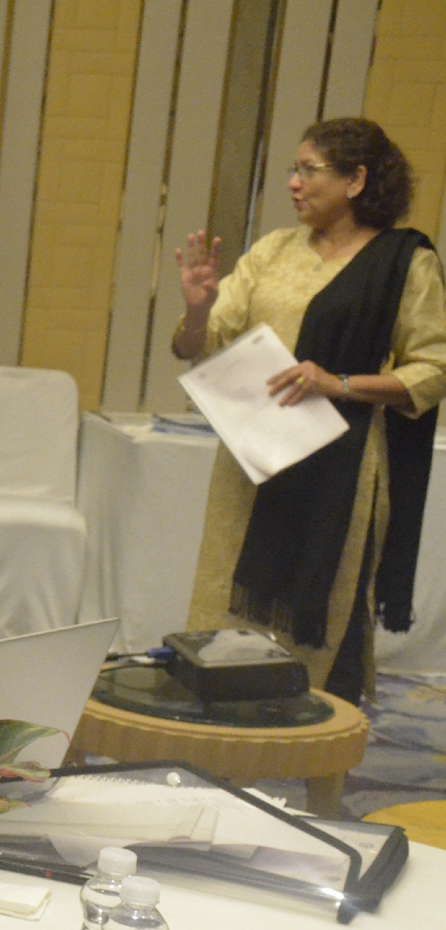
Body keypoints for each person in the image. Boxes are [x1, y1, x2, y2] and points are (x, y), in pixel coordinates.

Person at [172, 118, 446, 702]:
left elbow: (433, 369)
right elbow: (202, 343)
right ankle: (222, 726)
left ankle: (310, 728)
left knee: (320, 614)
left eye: (308, 170)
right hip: (254, 463)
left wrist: (337, 383)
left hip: (341, 471)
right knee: (226, 601)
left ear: (356, 180)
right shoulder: (273, 250)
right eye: (293, 170)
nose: (293, 183)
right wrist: (197, 310)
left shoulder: (404, 263)